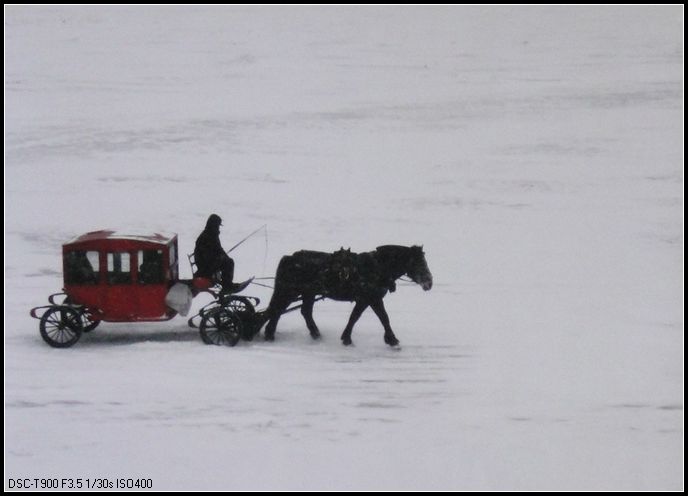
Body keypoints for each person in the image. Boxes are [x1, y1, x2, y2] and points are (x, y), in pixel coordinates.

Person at [194, 213, 235, 292]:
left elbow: (219, 249)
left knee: (229, 261)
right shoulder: (206, 237)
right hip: (205, 267)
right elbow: (207, 256)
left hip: (210, 262)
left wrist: (224, 256)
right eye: (218, 225)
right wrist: (219, 258)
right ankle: (227, 286)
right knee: (229, 263)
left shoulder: (212, 235)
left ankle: (227, 284)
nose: (218, 228)